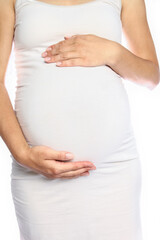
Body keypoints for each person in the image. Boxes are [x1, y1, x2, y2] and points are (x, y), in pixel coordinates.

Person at [0, 0, 159, 239]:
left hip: (114, 170)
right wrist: (23, 154)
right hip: (37, 174)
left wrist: (113, 52)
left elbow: (151, 77)